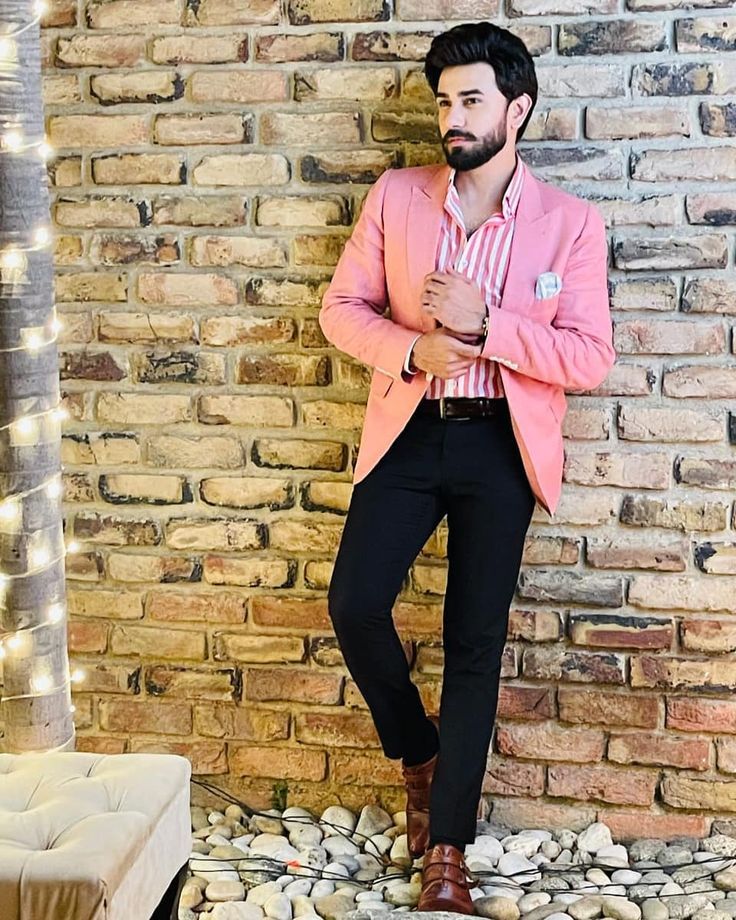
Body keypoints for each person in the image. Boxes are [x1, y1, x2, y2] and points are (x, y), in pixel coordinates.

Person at [318, 20, 616, 915]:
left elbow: (589, 356)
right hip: (409, 429)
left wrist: (491, 326)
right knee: (355, 604)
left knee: (473, 644)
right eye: (445, 100)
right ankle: (419, 754)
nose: (453, 116)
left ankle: (448, 848)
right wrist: (413, 348)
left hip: (501, 445)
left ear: (517, 108)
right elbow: (342, 311)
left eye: (472, 99)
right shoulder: (399, 197)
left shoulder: (571, 224)